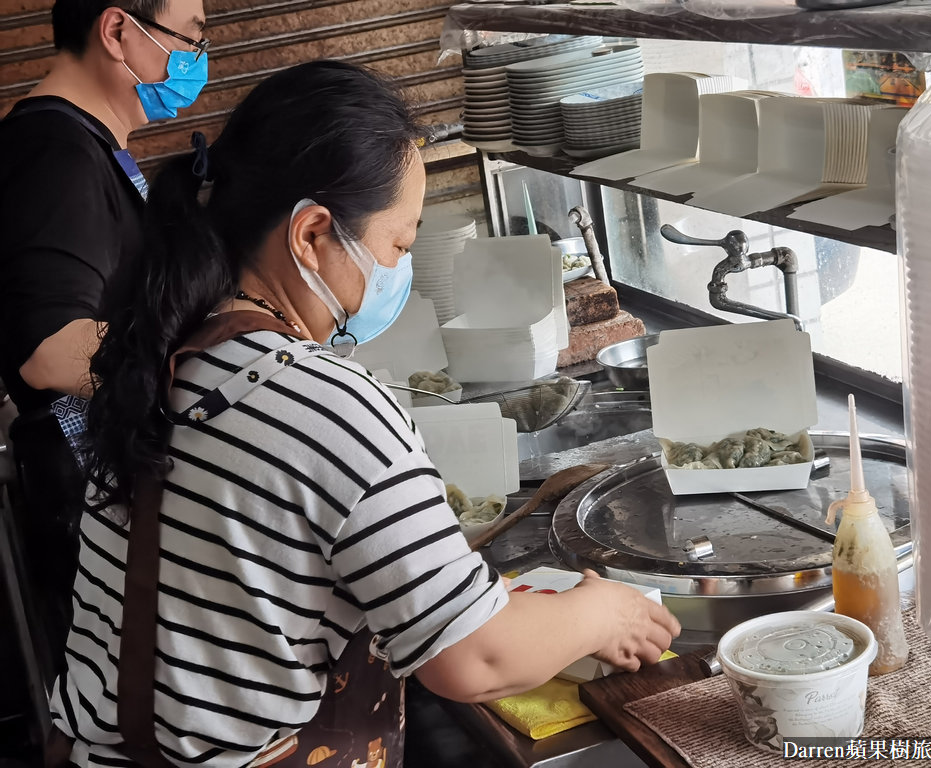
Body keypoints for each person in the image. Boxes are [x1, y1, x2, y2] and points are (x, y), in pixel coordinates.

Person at [48, 60, 681, 767]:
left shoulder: (169, 352)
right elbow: (477, 658)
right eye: (399, 245)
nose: (399, 270)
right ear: (312, 234)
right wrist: (601, 611)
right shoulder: (328, 403)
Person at [0, 0, 208, 682]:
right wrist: (202, 373)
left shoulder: (82, 143)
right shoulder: (55, 153)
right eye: (190, 39)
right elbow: (54, 351)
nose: (196, 64)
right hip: (87, 490)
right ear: (118, 31)